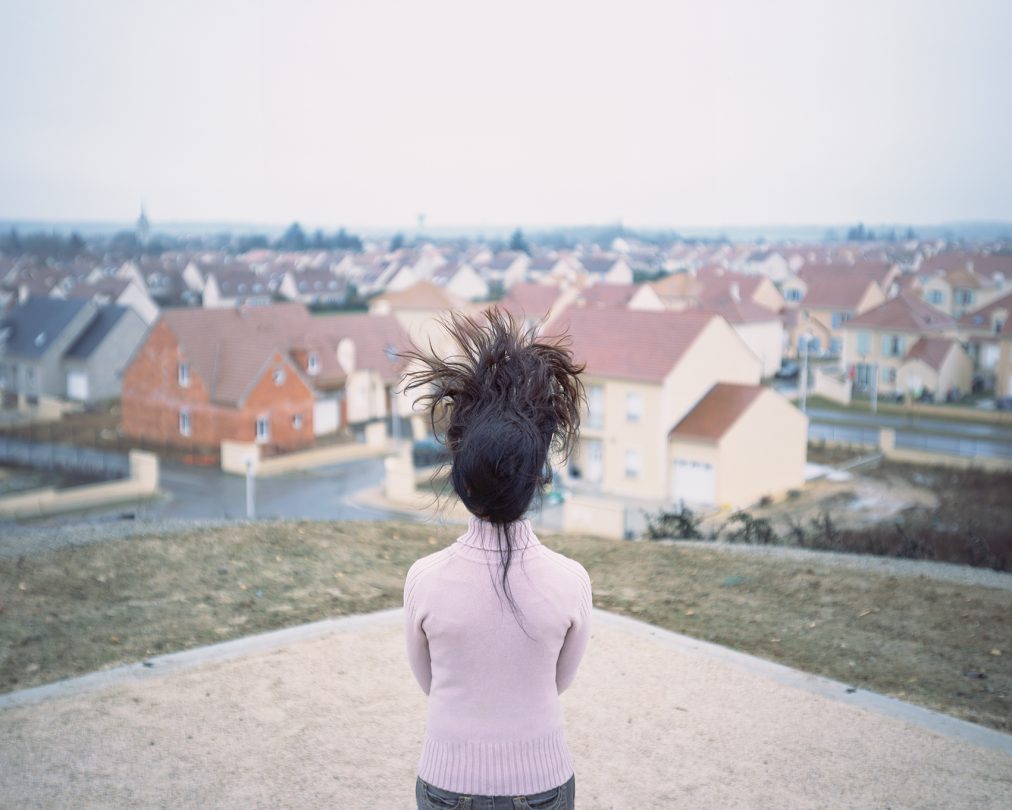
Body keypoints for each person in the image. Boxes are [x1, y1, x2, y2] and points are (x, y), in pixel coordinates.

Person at [402, 308, 593, 810]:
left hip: (447, 781)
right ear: (536, 481)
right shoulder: (572, 581)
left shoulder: (423, 579)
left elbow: (429, 680)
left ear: (461, 482)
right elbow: (558, 681)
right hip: (543, 783)